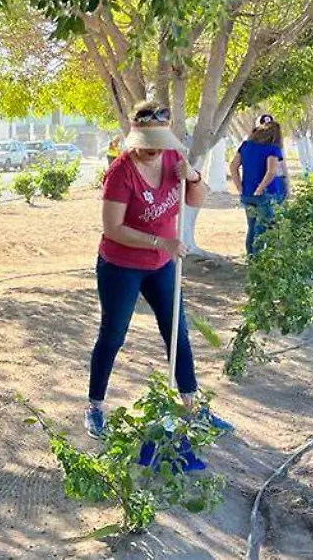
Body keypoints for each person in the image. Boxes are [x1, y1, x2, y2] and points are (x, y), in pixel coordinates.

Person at [84, 101, 231, 438]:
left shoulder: (172, 158)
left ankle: (193, 408)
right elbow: (112, 228)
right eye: (146, 143)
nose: (152, 150)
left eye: (158, 142)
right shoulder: (121, 173)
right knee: (113, 335)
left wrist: (192, 176)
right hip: (120, 266)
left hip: (161, 266)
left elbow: (196, 199)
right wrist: (160, 242)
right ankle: (94, 407)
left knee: (176, 331)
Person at [230, 121, 284, 255]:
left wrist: (240, 188)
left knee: (252, 228)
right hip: (266, 194)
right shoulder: (273, 149)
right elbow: (271, 171)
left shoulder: (245, 146)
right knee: (263, 229)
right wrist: (260, 189)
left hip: (247, 193)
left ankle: (251, 259)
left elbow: (233, 166)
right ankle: (259, 263)